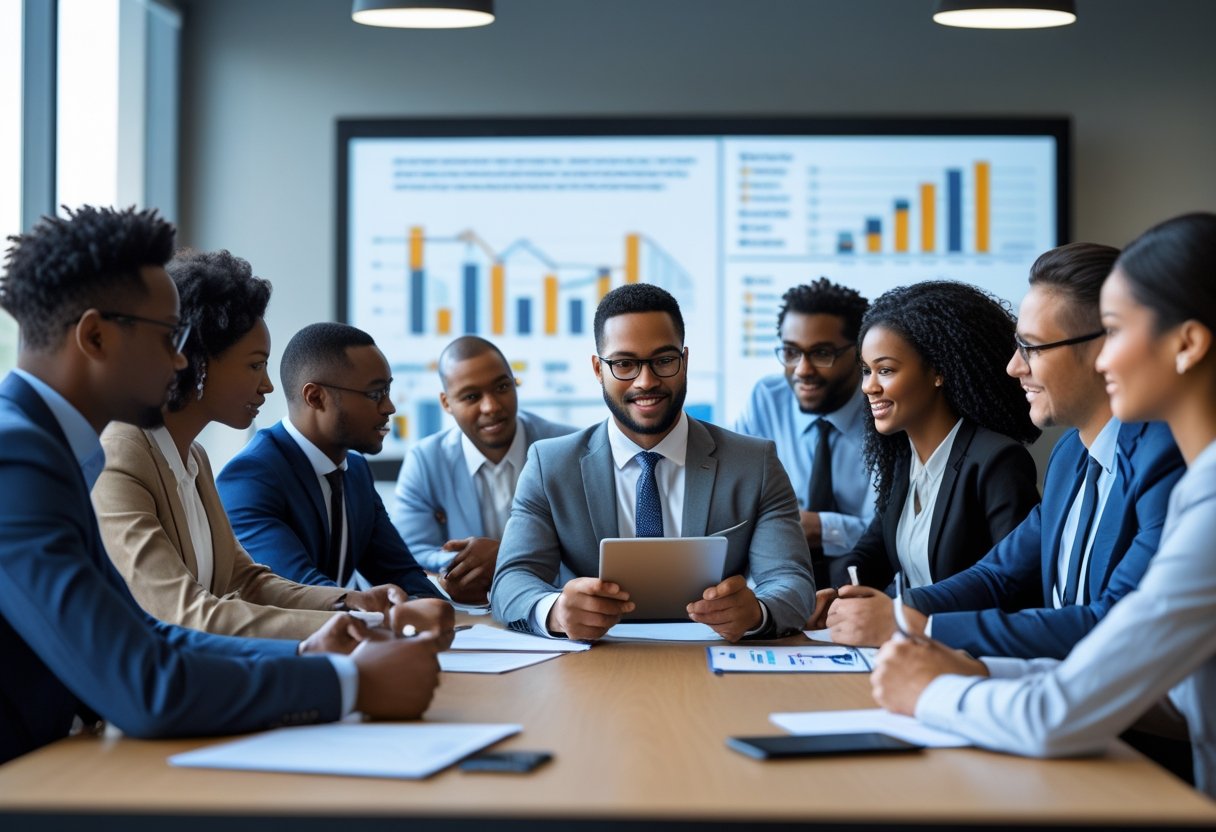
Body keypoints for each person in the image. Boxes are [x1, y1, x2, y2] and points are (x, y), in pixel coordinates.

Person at [0, 206, 443, 765]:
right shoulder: (17, 458)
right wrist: (345, 684)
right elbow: (144, 684)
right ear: (94, 336)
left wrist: (314, 656)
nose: (182, 358)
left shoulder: (53, 450)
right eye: (170, 337)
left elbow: (145, 634)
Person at [870, 211, 1216, 799]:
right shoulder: (1097, 465)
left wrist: (931, 686)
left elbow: (1071, 698)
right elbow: (1025, 593)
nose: (1107, 361)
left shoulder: (1194, 485)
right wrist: (965, 665)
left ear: (1186, 344)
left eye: (1117, 332)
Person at [824, 245, 1184, 656]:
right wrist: (892, 611)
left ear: (1104, 348)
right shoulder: (1070, 455)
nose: (1014, 366)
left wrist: (914, 625)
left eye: (1032, 347)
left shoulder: (1166, 459)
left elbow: (1114, 625)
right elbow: (997, 574)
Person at [92, 249, 448, 644]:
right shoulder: (119, 456)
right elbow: (185, 613)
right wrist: (364, 626)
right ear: (197, 360)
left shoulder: (194, 457)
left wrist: (350, 602)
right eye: (255, 365)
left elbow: (246, 580)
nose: (268, 385)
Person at [490, 283, 815, 642]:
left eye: (663, 360)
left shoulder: (755, 463)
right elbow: (511, 580)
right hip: (592, 664)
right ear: (599, 369)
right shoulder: (550, 465)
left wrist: (757, 611)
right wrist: (554, 611)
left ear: (685, 360)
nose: (646, 381)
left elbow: (793, 582)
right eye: (625, 364)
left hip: (713, 661)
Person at [813, 280, 1041, 625]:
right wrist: (836, 594)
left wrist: (899, 612)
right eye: (866, 370)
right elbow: (869, 555)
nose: (868, 386)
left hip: (965, 651)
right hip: (909, 645)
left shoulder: (996, 461)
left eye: (885, 370)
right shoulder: (905, 462)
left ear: (937, 371)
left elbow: (1012, 584)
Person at [217, 323, 440, 600]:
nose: (389, 407)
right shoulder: (251, 477)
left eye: (388, 391)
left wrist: (434, 608)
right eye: (375, 394)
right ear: (316, 397)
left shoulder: (356, 471)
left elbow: (403, 574)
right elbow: (304, 591)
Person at [392, 336, 575, 604]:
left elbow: (589, 552)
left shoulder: (567, 449)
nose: (491, 406)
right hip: (473, 614)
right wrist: (470, 561)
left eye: (502, 386)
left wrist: (504, 555)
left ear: (515, 383)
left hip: (553, 607)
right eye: (471, 396)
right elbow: (410, 550)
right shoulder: (425, 460)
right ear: (446, 403)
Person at [734, 278, 875, 589]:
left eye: (822, 353)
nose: (802, 370)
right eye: (791, 352)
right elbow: (736, 510)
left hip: (867, 590)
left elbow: (893, 530)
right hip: (773, 588)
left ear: (860, 352)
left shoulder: (883, 408)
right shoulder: (766, 400)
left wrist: (820, 528)